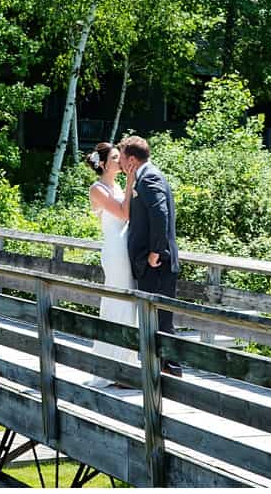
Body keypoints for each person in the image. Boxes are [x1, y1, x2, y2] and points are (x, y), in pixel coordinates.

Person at [118, 135, 183, 378]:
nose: (121, 163)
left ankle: (172, 370)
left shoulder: (150, 176)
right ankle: (159, 370)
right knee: (155, 318)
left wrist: (156, 251)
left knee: (162, 319)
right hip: (151, 262)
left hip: (157, 262)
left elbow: (160, 214)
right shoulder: (141, 177)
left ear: (132, 158)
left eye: (122, 157)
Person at [83, 142, 138, 388]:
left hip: (127, 243)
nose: (120, 160)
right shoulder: (98, 189)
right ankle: (112, 366)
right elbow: (123, 213)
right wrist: (130, 182)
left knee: (130, 302)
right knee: (118, 301)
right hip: (116, 249)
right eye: (115, 157)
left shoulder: (115, 185)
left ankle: (128, 364)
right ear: (104, 164)